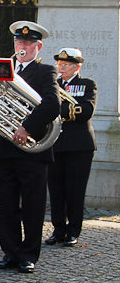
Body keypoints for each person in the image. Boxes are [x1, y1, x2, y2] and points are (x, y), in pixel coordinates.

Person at [0, 21, 60, 274]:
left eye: (29, 43)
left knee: (32, 205)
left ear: (38, 47)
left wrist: (26, 127)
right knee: (5, 204)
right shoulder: (2, 69)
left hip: (32, 149)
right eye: (19, 42)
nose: (23, 46)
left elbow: (52, 105)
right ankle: (10, 252)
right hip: (3, 147)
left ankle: (29, 254)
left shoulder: (46, 72)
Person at [46, 48, 97, 247]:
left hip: (79, 146)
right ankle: (58, 229)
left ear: (77, 66)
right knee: (56, 190)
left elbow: (86, 110)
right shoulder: (53, 85)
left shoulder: (87, 84)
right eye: (60, 64)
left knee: (75, 191)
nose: (61, 68)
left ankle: (73, 230)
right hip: (55, 144)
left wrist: (55, 110)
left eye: (66, 65)